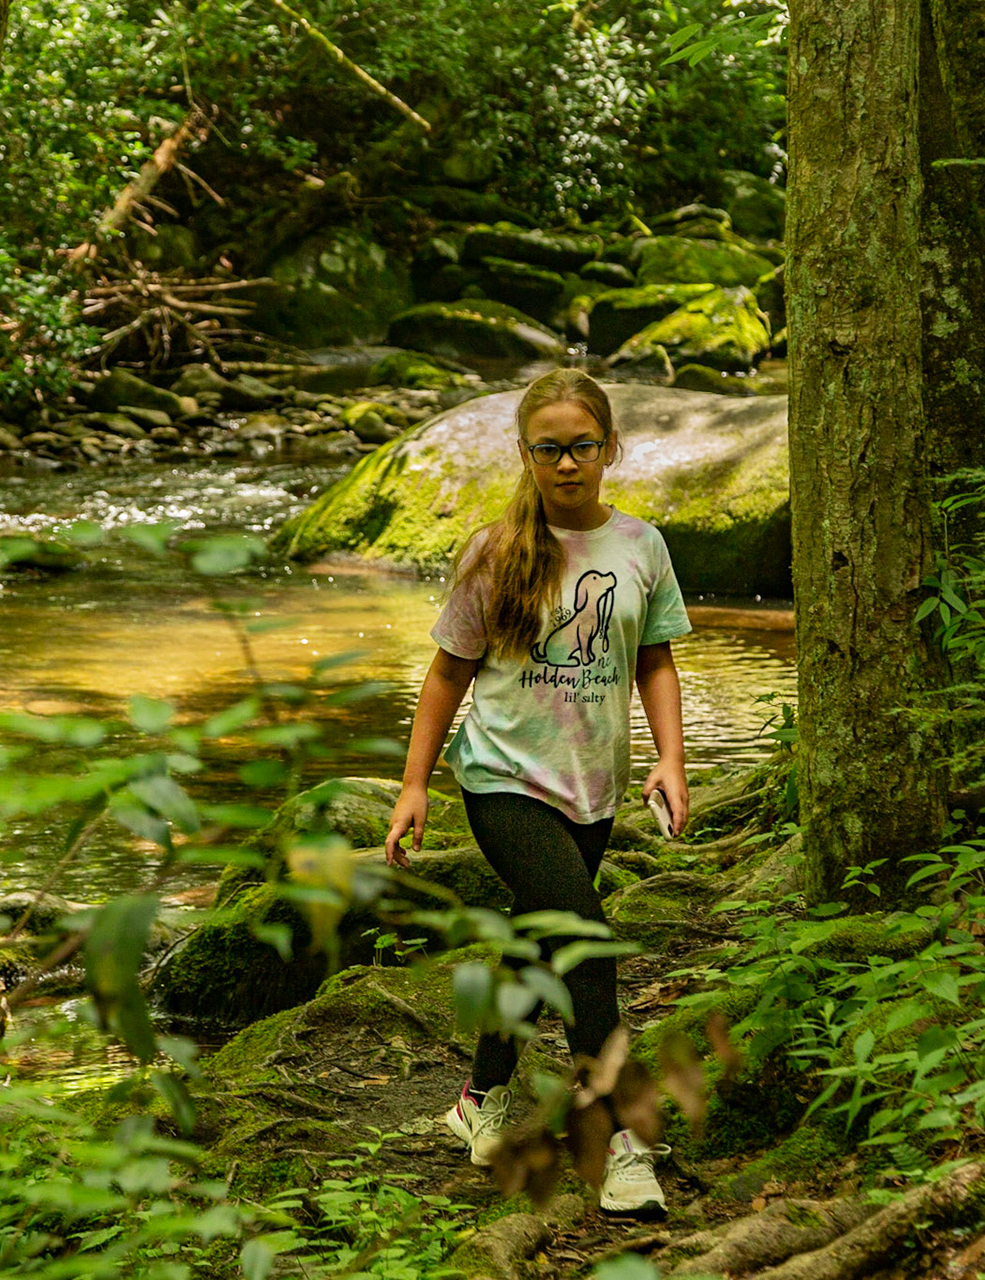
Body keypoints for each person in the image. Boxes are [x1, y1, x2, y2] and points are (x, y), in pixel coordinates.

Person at [383, 368, 691, 1217]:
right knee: (583, 938)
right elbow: (448, 673)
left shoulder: (641, 547)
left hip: (592, 787)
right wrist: (414, 785)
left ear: (609, 448)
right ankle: (622, 1139)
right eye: (548, 449)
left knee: (536, 942)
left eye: (581, 446)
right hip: (503, 780)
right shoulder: (496, 550)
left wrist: (672, 759)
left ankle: (477, 1101)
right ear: (525, 455)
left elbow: (655, 660)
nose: (566, 464)